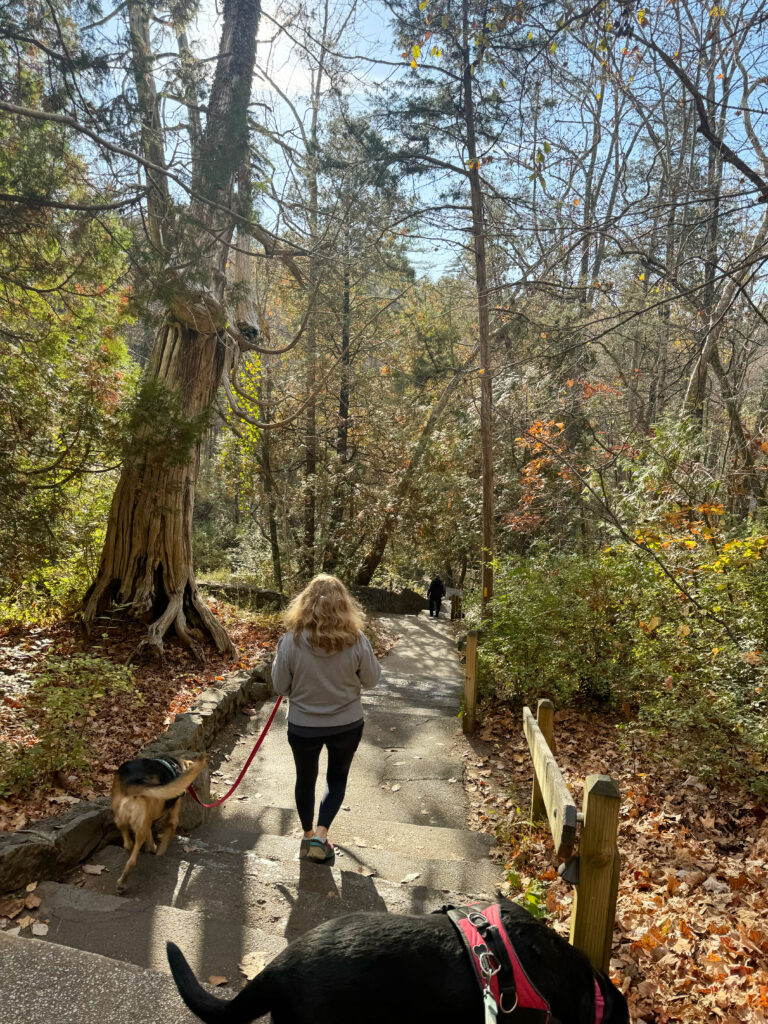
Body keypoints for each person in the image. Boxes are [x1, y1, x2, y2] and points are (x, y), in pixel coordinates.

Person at [271, 574, 381, 864]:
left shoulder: (290, 641)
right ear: (344, 605)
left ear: (304, 604)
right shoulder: (357, 641)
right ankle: (322, 834)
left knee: (305, 779)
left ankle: (307, 835)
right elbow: (372, 680)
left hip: (303, 726)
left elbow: (280, 687)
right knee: (336, 777)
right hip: (346, 725)